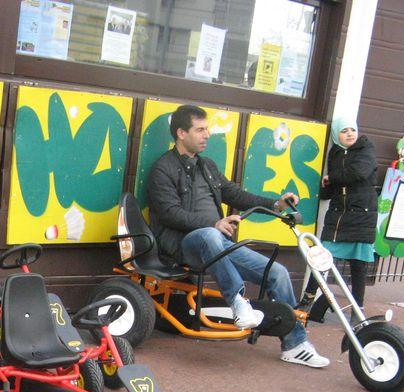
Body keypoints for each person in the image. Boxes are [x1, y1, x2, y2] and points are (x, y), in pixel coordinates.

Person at [146, 104, 329, 368]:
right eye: (200, 129)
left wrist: (275, 205)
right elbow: (169, 213)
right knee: (209, 234)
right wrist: (214, 222)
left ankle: (295, 344)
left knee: (277, 273)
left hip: (218, 244)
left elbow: (237, 195)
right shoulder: (163, 168)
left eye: (207, 129)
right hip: (183, 245)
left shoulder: (206, 166)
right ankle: (237, 302)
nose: (207, 134)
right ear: (181, 133)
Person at [302, 115, 377, 313]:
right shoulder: (335, 153)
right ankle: (307, 301)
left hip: (361, 214)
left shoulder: (366, 149)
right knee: (323, 256)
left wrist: (332, 178)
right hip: (339, 213)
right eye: (344, 131)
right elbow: (331, 186)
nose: (350, 134)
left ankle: (358, 308)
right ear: (337, 135)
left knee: (358, 264)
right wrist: (326, 186)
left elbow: (359, 172)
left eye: (352, 129)